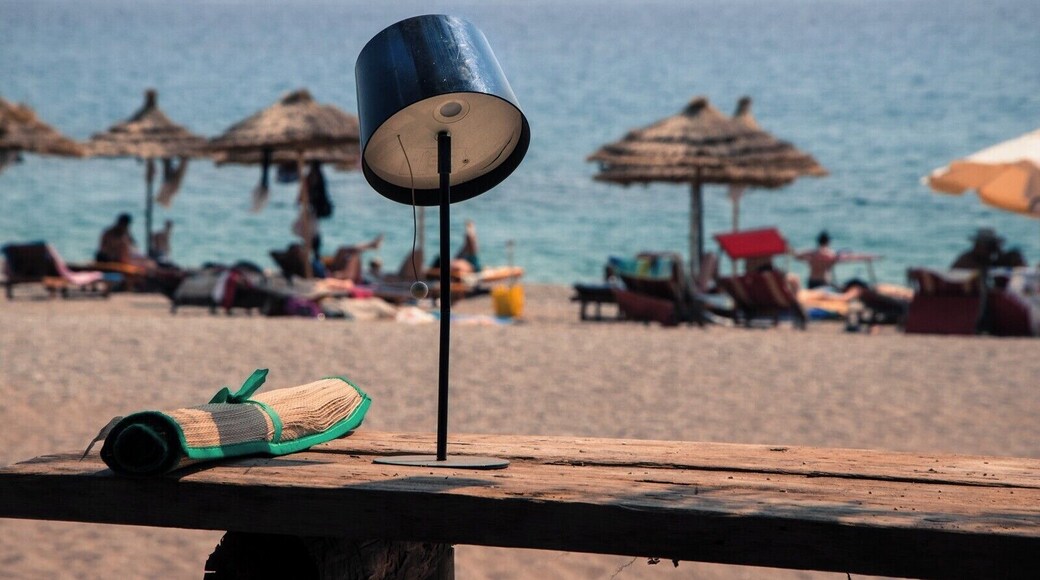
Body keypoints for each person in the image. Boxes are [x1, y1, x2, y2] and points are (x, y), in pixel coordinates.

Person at [951, 228, 1026, 270]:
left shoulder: (991, 261)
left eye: (990, 245)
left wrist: (999, 253)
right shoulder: (967, 260)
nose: (988, 249)